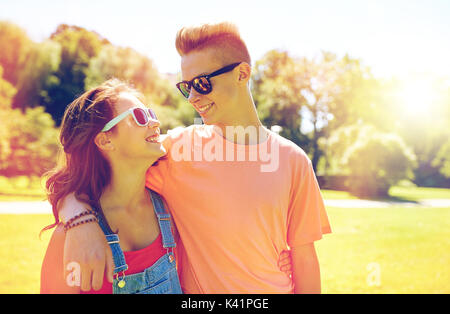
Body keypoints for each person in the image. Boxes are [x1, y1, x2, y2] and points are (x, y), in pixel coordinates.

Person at [59, 22, 331, 293]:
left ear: (242, 73)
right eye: (186, 86)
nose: (192, 97)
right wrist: (80, 223)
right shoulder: (176, 150)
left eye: (201, 83)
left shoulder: (294, 161)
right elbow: (86, 172)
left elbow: (304, 259)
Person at [40, 79, 183, 294]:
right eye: (140, 117)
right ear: (105, 141)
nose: (155, 123)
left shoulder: (169, 210)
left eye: (151, 114)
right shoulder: (69, 239)